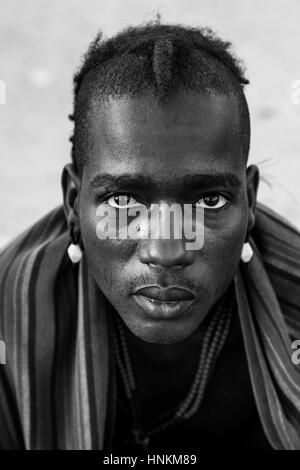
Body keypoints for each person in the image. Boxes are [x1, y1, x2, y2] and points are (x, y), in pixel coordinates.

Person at [0, 22, 300, 451]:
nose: (165, 250)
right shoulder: (10, 318)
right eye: (123, 202)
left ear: (249, 201)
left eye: (209, 201)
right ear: (72, 202)